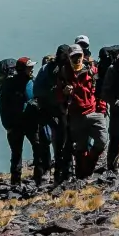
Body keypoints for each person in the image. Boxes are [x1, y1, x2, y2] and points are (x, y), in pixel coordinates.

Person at [0, 58, 50, 189]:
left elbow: (3, 107)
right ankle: (37, 181)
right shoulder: (29, 82)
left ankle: (18, 183)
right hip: (25, 124)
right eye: (29, 68)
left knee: (19, 154)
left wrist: (8, 126)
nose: (31, 70)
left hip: (19, 125)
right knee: (33, 151)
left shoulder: (11, 85)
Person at [63, 44, 109, 177]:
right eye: (74, 57)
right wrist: (64, 92)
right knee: (81, 146)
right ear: (69, 58)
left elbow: (99, 91)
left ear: (83, 56)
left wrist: (102, 109)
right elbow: (58, 94)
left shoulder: (92, 70)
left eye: (79, 56)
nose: (77, 59)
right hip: (76, 115)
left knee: (102, 141)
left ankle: (89, 163)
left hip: (94, 112)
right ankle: (82, 175)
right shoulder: (64, 73)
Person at [41, 47, 74, 186]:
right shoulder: (52, 70)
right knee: (62, 144)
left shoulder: (55, 69)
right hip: (59, 112)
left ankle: (63, 174)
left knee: (63, 144)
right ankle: (63, 174)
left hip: (64, 111)